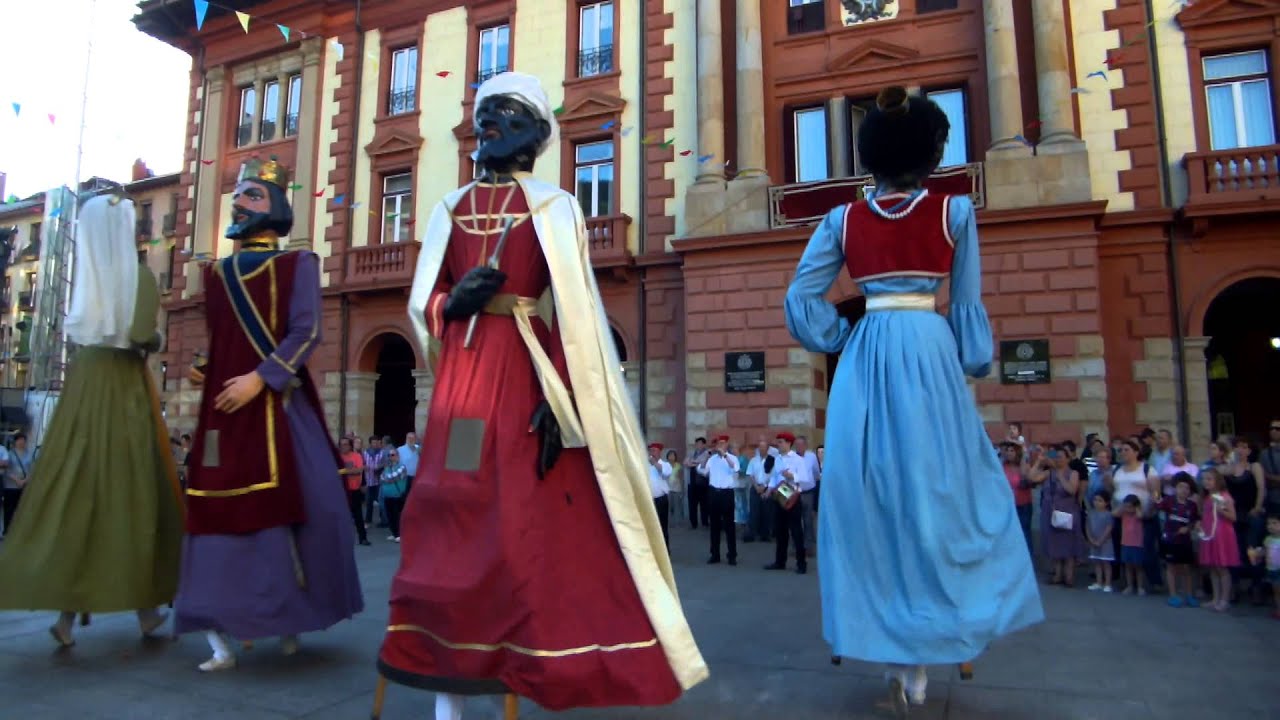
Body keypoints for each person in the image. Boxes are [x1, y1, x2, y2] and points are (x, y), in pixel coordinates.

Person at [379, 71, 707, 719]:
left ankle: (513, 663)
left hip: (524, 367)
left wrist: (566, 406)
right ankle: (446, 675)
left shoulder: (556, 205)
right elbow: (423, 303)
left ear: (534, 131)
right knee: (448, 514)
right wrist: (452, 301)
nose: (488, 122)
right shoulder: (449, 207)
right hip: (463, 379)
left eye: (504, 113)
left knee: (515, 528)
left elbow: (575, 318)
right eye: (483, 113)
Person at [783, 86, 1043, 714]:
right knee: (941, 493)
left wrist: (841, 335)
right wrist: (970, 359)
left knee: (870, 498)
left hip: (869, 350)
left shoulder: (841, 219)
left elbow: (801, 296)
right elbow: (969, 304)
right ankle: (931, 640)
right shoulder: (955, 213)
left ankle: (896, 648)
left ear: (869, 154)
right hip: (929, 348)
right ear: (931, 152)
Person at [174, 156, 364, 671]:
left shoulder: (297, 265)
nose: (239, 202)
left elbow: (305, 333)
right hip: (223, 413)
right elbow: (219, 339)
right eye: (239, 195)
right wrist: (202, 369)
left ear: (276, 206)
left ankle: (289, 614)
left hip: (277, 405)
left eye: (253, 195)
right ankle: (218, 624)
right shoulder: (214, 274)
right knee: (214, 513)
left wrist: (261, 378)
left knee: (315, 505)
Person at [0, 194, 183, 645]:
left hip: (84, 386)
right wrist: (156, 337)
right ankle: (146, 609)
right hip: (124, 389)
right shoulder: (137, 278)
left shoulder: (88, 281)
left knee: (81, 493)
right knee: (135, 494)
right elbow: (142, 335)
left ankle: (68, 618)